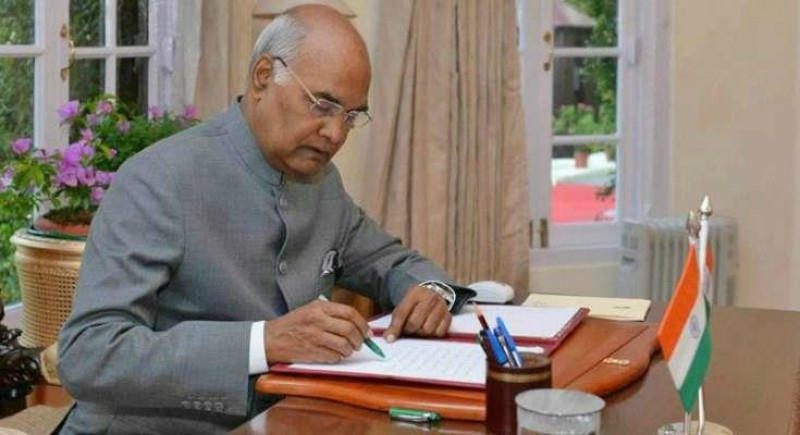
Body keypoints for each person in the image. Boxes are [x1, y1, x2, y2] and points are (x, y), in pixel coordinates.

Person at [57, 5, 457, 434]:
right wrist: (264, 342)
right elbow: (89, 355)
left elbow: (394, 263)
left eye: (351, 116)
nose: (336, 134)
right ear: (263, 76)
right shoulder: (159, 179)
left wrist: (430, 292)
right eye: (322, 105)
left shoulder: (323, 184)